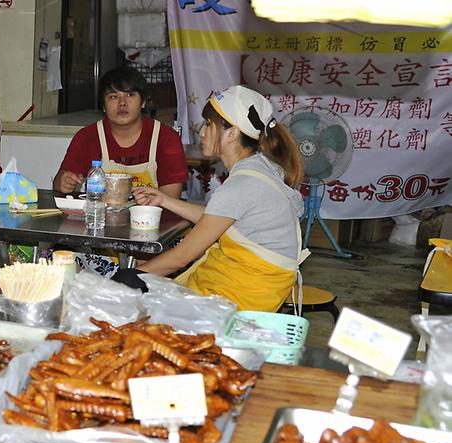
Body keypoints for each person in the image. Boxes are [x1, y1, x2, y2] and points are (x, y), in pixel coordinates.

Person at [117, 85, 308, 312]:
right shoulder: (260, 168)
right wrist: (165, 200)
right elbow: (220, 219)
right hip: (256, 290)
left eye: (209, 124)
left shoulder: (242, 185)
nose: (202, 131)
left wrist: (121, 281)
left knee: (127, 281)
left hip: (239, 299)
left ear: (232, 133)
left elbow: (180, 258)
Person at [53, 67, 187, 199]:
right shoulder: (87, 137)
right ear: (103, 106)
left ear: (143, 101)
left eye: (130, 95)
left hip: (151, 219)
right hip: (102, 218)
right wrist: (63, 183)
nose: (122, 103)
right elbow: (59, 183)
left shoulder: (166, 138)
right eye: (113, 97)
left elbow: (171, 200)